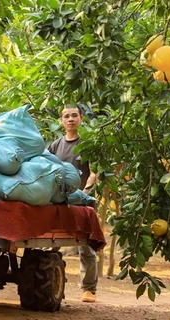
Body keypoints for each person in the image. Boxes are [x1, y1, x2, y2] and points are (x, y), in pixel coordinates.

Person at [48, 104, 99, 303]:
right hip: (60, 202)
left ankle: (89, 289)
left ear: (81, 119)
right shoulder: (55, 146)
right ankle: (52, 280)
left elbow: (94, 172)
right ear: (61, 121)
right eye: (66, 116)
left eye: (74, 116)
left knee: (85, 246)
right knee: (49, 240)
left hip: (82, 202)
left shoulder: (87, 144)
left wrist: (84, 192)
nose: (70, 119)